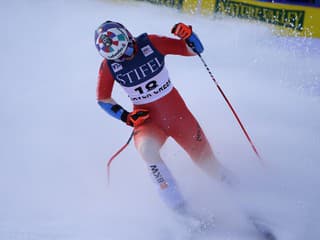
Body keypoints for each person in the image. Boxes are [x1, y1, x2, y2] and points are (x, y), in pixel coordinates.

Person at [94, 20, 232, 215]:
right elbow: (102, 99)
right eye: (119, 57)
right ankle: (180, 210)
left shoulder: (151, 43)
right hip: (148, 122)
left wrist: (189, 36)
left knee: (208, 164)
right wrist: (127, 117)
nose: (125, 58)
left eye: (125, 51)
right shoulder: (109, 66)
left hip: (179, 118)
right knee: (147, 150)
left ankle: (238, 190)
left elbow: (194, 50)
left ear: (129, 36)